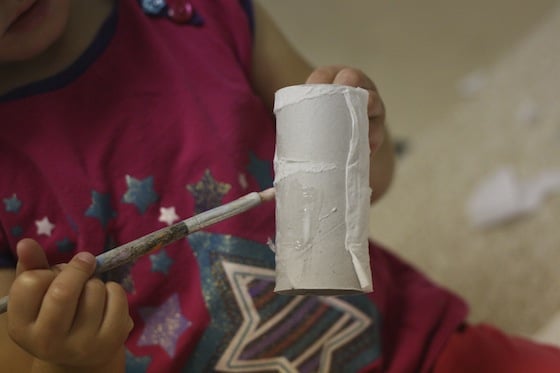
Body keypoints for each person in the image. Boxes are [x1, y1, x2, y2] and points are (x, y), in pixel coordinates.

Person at [0, 0, 558, 372]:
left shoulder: (197, 14)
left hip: (409, 347)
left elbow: (371, 184)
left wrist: (362, 145)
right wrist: (72, 357)